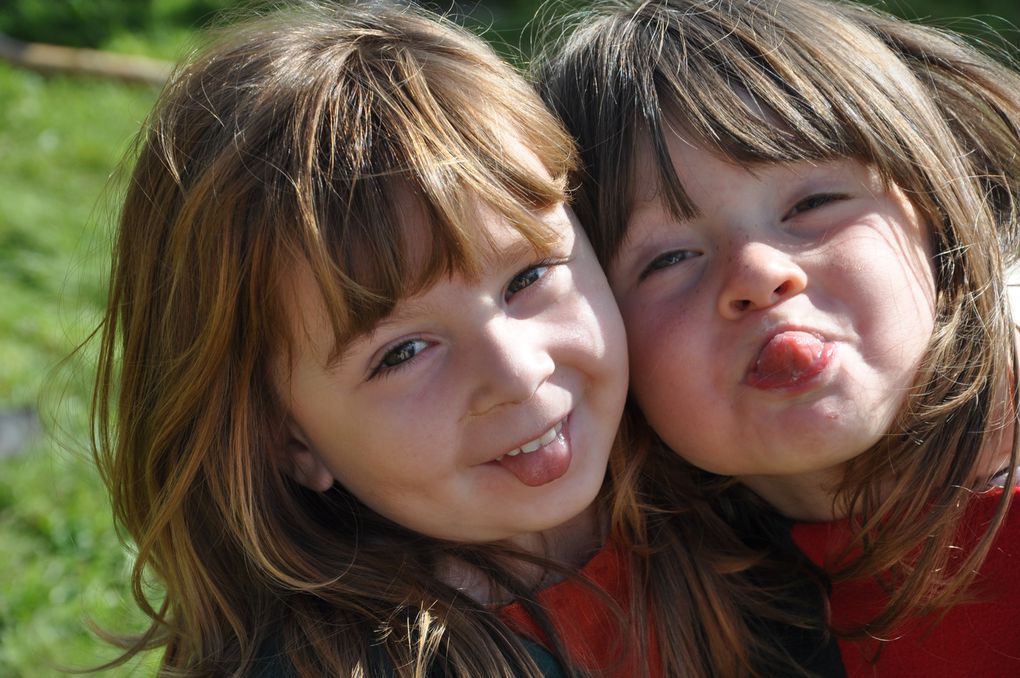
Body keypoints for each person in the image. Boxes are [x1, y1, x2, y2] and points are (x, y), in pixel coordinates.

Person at [88, 1, 830, 676]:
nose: (516, 371)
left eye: (530, 276)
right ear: (287, 440)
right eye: (402, 352)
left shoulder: (738, 485)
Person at [535, 0, 1020, 675]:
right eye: (668, 258)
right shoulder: (618, 623)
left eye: (811, 204)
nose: (758, 275)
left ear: (935, 211)